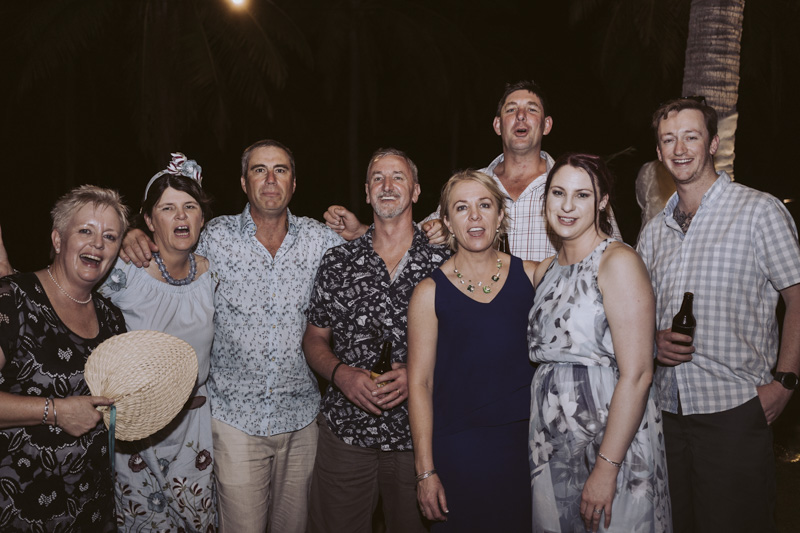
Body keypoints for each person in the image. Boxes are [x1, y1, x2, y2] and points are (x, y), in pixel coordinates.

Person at [121, 140, 344, 533]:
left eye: (281, 170)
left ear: (294, 183)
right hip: (233, 422)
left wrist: (376, 228)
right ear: (244, 182)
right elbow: (167, 243)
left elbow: (378, 253)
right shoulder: (213, 238)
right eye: (259, 169)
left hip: (302, 421)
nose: (271, 179)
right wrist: (130, 236)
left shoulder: (321, 241)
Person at [637, 98, 800, 533]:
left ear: (711, 143)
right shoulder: (654, 232)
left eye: (692, 136)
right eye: (668, 139)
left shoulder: (758, 212)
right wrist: (652, 340)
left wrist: (784, 383)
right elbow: (637, 314)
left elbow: (797, 296)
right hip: (667, 415)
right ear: (658, 151)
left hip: (734, 410)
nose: (680, 148)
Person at [303, 148, 447, 533]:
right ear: (366, 193)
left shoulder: (445, 264)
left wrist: (418, 375)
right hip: (345, 434)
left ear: (416, 192)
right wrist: (341, 375)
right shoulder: (338, 261)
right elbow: (314, 339)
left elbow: (466, 346)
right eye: (378, 178)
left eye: (398, 177)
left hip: (417, 438)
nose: (387, 186)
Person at [323, 80, 622, 261]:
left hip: (560, 330)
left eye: (531, 109)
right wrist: (362, 231)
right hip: (491, 328)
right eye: (510, 109)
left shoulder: (575, 184)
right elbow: (418, 237)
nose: (520, 116)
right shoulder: (471, 186)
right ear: (498, 125)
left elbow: (614, 254)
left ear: (546, 125)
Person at [528, 154, 671, 532]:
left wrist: (606, 468)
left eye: (582, 195)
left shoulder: (617, 261)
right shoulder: (546, 269)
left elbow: (638, 374)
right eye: (558, 193)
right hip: (552, 443)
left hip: (610, 440)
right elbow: (486, 265)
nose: (568, 206)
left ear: (602, 201)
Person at [407, 170, 536, 531]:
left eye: (484, 205)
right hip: (457, 454)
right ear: (447, 221)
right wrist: (425, 470)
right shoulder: (428, 292)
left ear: (500, 215)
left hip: (525, 451)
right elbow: (419, 384)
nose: (475, 216)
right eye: (461, 208)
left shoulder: (534, 276)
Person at [98, 153, 217, 531]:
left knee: (199, 522)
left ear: (202, 217)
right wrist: (121, 237)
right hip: (136, 431)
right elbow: (70, 277)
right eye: (167, 208)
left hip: (194, 429)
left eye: (190, 207)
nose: (181, 217)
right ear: (149, 220)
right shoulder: (126, 273)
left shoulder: (215, 273)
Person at [0, 185, 128, 531]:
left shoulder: (113, 318)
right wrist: (55, 411)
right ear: (58, 240)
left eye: (110, 236)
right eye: (85, 231)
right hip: (19, 508)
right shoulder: (12, 299)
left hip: (92, 509)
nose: (97, 244)